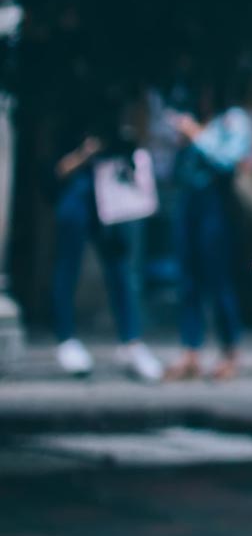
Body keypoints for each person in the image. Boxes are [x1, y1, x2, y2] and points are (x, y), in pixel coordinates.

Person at [51, 124, 165, 383]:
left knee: (121, 270)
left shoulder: (124, 98)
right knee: (68, 267)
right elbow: (56, 168)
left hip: (114, 185)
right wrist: (86, 153)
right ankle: (65, 339)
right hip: (80, 185)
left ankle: (131, 342)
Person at [164, 96, 252, 381]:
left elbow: (228, 161)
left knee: (219, 280)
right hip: (187, 203)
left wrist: (196, 135)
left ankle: (230, 351)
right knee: (187, 281)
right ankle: (191, 351)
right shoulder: (194, 117)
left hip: (216, 205)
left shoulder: (233, 118)